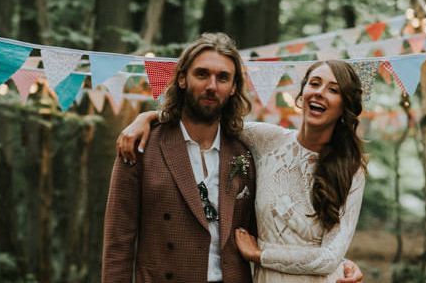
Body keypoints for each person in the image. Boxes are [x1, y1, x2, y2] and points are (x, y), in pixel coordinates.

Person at [119, 57, 367, 283]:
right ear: (302, 93)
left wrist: (261, 254)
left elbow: (330, 257)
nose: (320, 93)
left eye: (333, 90)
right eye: (315, 84)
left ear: (344, 105)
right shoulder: (267, 140)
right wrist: (149, 117)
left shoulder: (351, 170)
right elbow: (205, 121)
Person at [102, 32, 257, 282]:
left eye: (223, 78)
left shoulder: (245, 153)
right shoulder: (141, 145)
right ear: (183, 78)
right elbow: (118, 243)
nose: (211, 86)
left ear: (233, 88)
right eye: (202, 74)